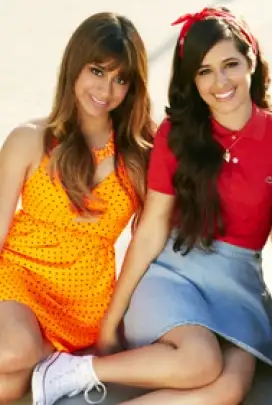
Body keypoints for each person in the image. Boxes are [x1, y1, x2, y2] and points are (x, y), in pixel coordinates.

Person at [31, 7, 272, 405]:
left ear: (251, 61)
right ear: (192, 79)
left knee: (230, 389)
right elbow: (151, 228)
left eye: (230, 65)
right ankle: (75, 371)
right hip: (174, 274)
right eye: (204, 71)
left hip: (238, 283)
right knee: (200, 362)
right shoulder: (177, 134)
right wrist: (112, 320)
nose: (220, 82)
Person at [0, 12, 153, 403]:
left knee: (8, 386)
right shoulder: (29, 139)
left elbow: (146, 244)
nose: (106, 89)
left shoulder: (138, 159)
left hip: (84, 305)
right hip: (19, 280)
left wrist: (114, 321)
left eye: (120, 79)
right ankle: (49, 360)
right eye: (97, 71)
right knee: (12, 351)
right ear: (75, 66)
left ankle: (47, 362)